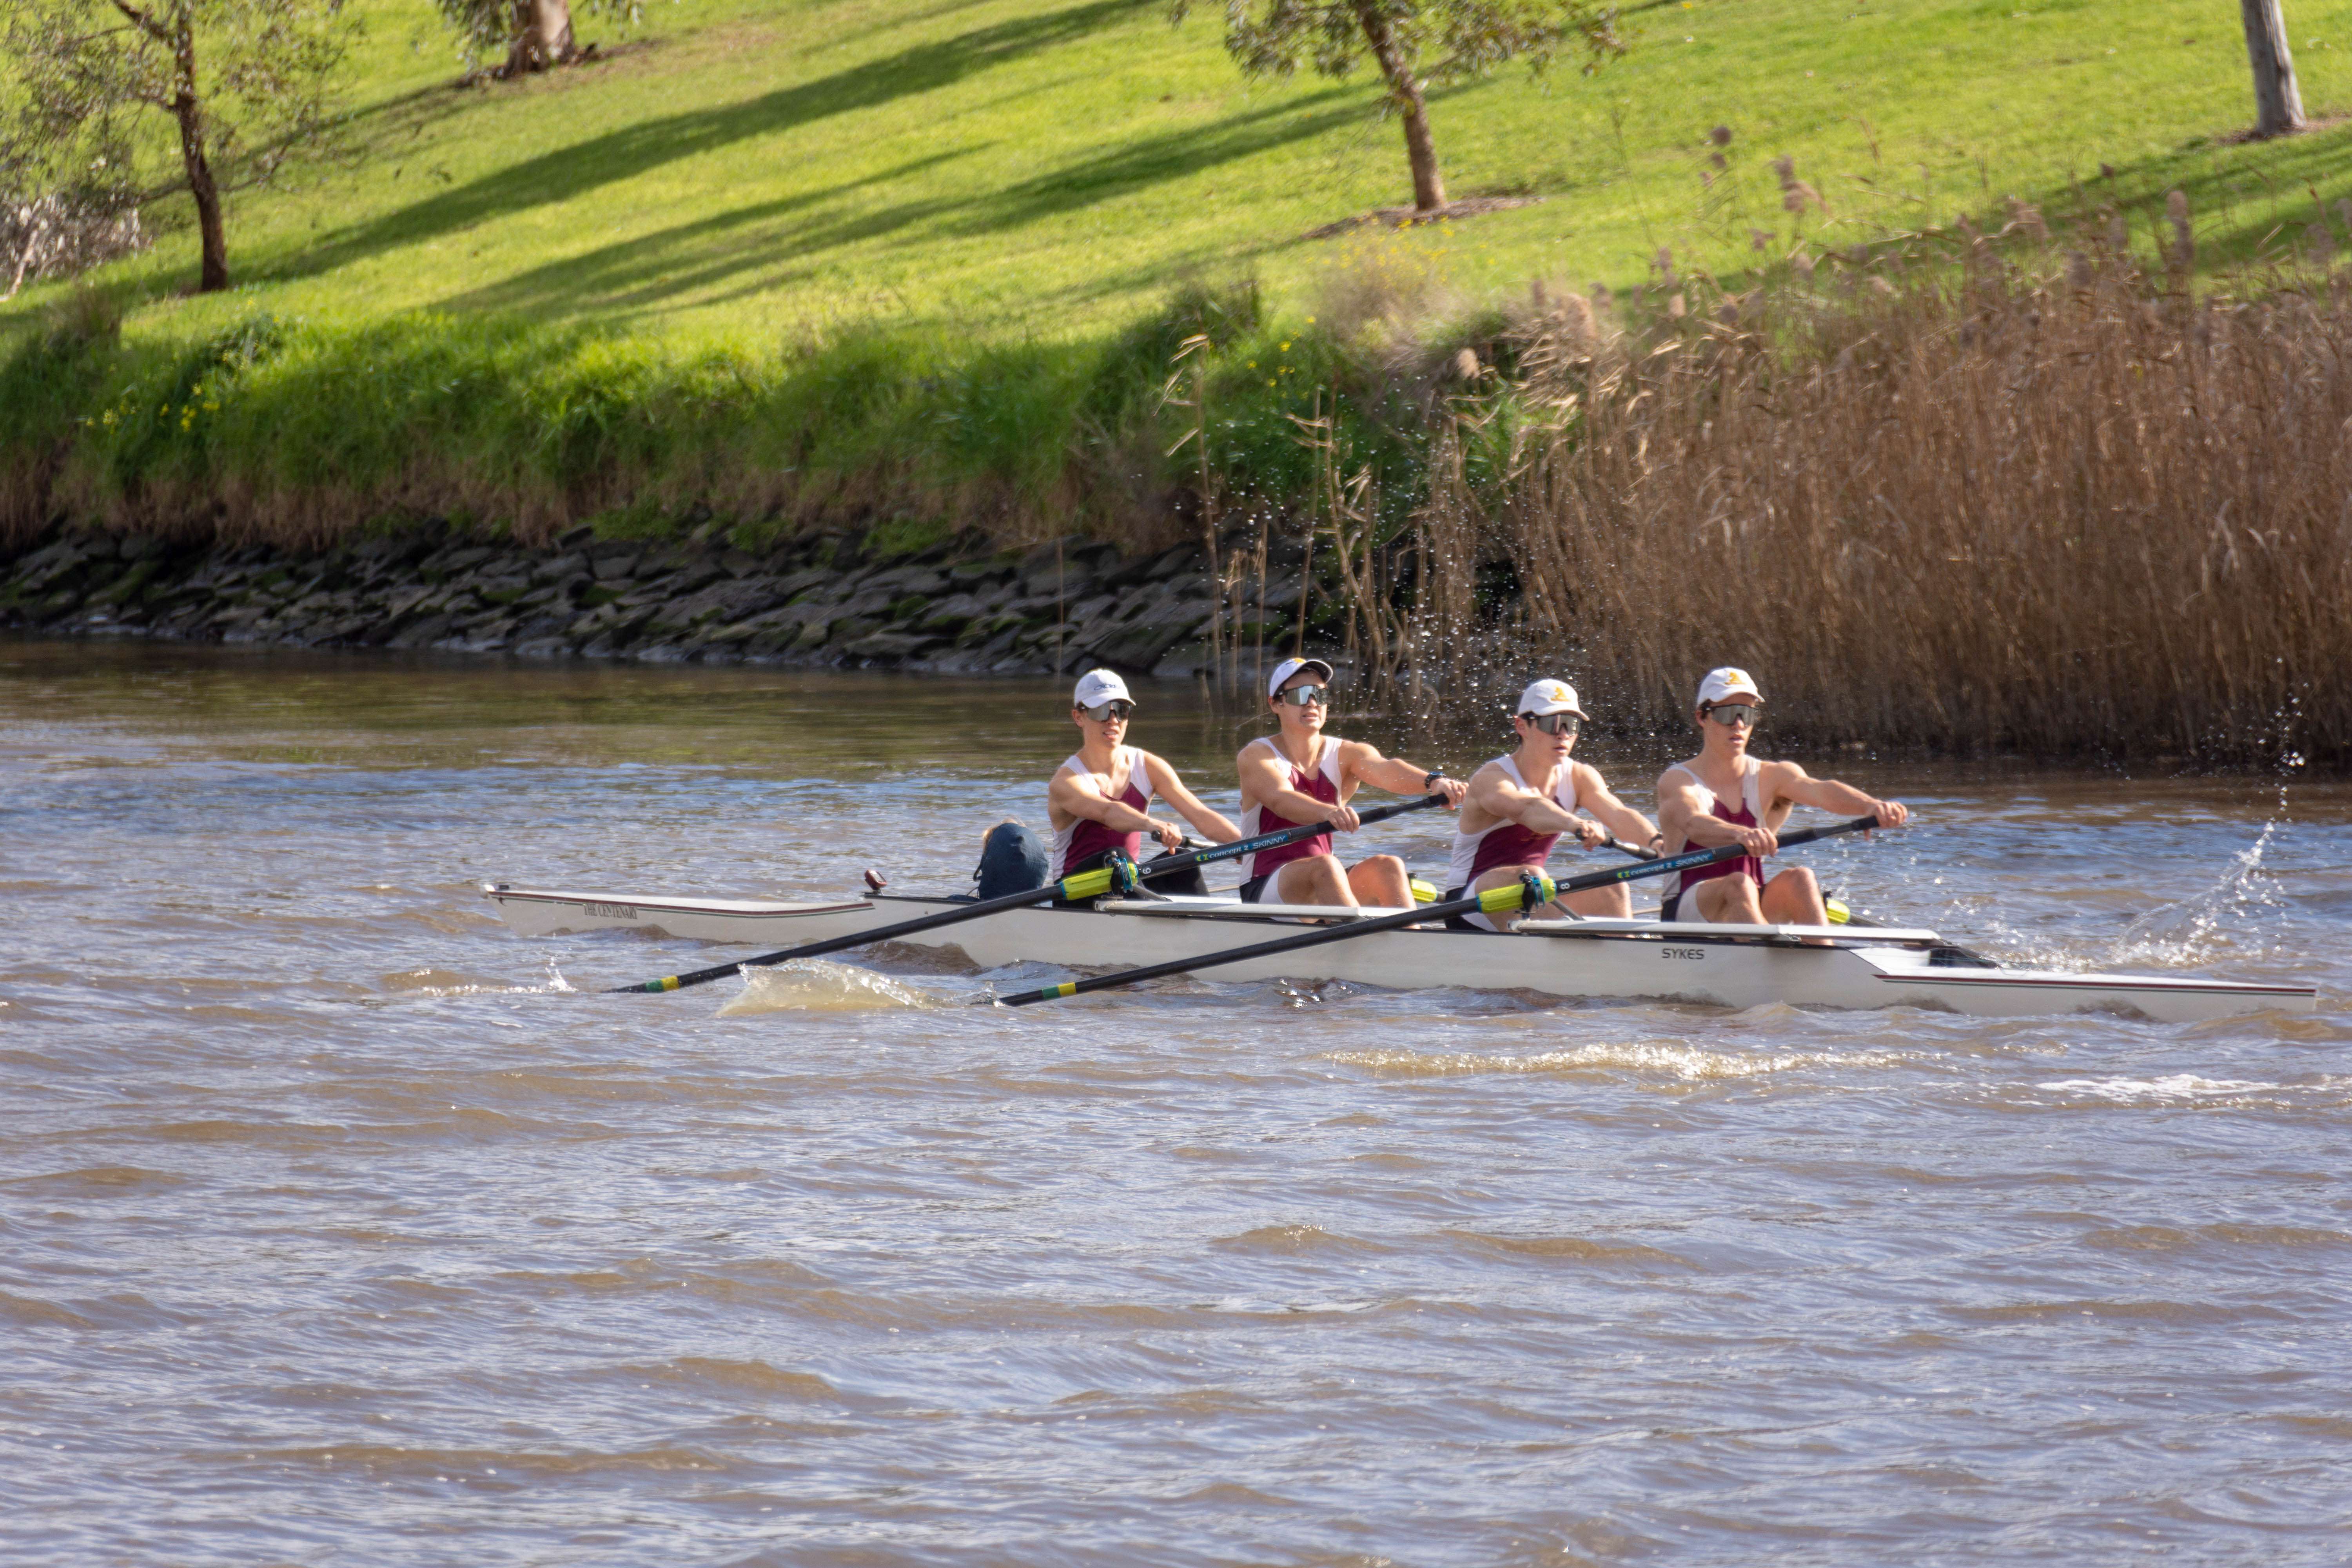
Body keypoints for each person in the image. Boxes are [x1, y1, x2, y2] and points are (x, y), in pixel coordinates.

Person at [1655, 667, 1907, 925]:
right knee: (1739, 884)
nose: (1739, 725)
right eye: (1728, 714)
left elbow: (1820, 790)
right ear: (1702, 717)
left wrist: (1870, 806)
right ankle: (1766, 956)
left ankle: (1822, 955)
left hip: (1747, 906)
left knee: (1801, 879)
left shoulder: (1772, 777)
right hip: (1686, 913)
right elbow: (1693, 823)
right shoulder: (1678, 780)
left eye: (1748, 714)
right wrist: (1740, 834)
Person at [1233, 657, 1466, 907]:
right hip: (1264, 884)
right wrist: (1330, 812)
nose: (1312, 703)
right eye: (1300, 695)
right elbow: (1281, 799)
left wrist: (1434, 782)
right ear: (1276, 704)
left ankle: (1409, 941)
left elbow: (1387, 771)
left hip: (1323, 880)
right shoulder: (1256, 755)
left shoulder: (1346, 754)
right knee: (1326, 865)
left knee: (1388, 866)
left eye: (1320, 696)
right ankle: (1354, 936)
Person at [1444, 679, 1662, 931]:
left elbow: (1619, 814)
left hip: (1532, 895)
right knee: (1530, 877)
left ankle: (1628, 962)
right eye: (1552, 724)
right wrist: (1575, 823)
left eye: (1572, 725)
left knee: (1614, 889)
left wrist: (1657, 843)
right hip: (1467, 907)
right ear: (1521, 726)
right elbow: (1527, 808)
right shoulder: (1491, 779)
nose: (1563, 735)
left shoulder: (1580, 777)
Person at [1041, 668, 1240, 897]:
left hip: (1127, 882)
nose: (1113, 720)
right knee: (1116, 857)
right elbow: (1109, 812)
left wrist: (1245, 846)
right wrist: (1151, 824)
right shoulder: (1066, 781)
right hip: (1075, 892)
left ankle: (1209, 925)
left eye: (1121, 711)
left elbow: (1200, 815)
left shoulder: (1148, 766)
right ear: (1079, 717)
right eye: (1102, 711)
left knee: (1182, 859)